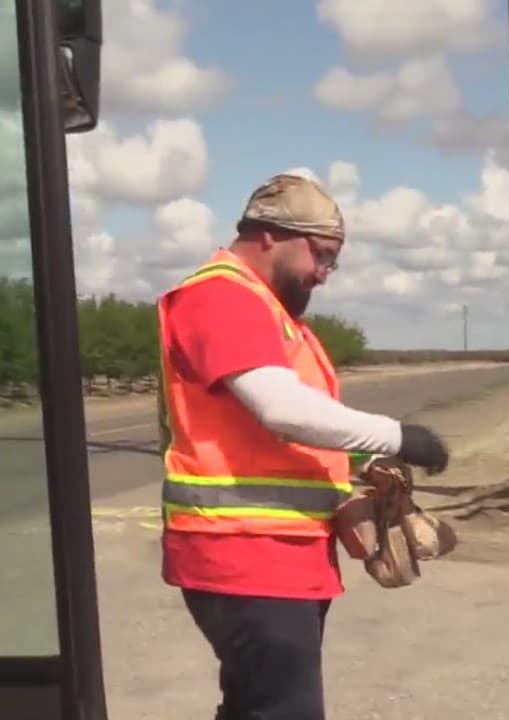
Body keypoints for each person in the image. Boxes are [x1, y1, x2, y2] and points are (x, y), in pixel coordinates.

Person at [156, 173, 451, 720]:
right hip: (245, 554)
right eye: (321, 255)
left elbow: (288, 427)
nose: (324, 274)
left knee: (255, 705)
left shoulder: (269, 312)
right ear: (270, 235)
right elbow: (282, 409)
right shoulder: (221, 296)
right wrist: (398, 436)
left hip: (274, 555)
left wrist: (364, 460)